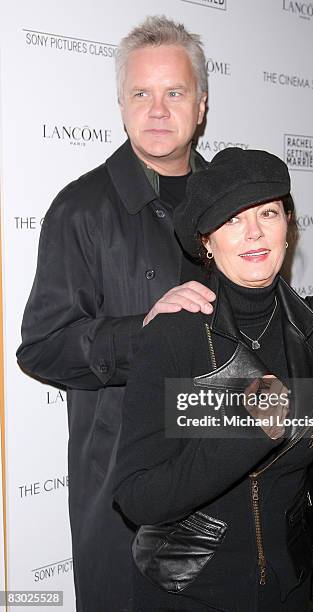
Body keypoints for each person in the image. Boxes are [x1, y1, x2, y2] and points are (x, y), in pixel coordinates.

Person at [114, 147, 313, 612]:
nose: (254, 232)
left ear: (288, 226)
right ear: (207, 240)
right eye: (231, 220)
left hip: (291, 591)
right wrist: (248, 432)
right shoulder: (175, 336)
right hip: (188, 595)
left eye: (268, 212)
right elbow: (138, 496)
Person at [16, 16, 216, 612]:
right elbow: (42, 346)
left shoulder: (235, 206)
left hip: (223, 476)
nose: (157, 109)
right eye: (141, 94)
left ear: (201, 105)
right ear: (122, 105)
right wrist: (146, 335)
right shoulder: (82, 208)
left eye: (174, 92)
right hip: (126, 494)